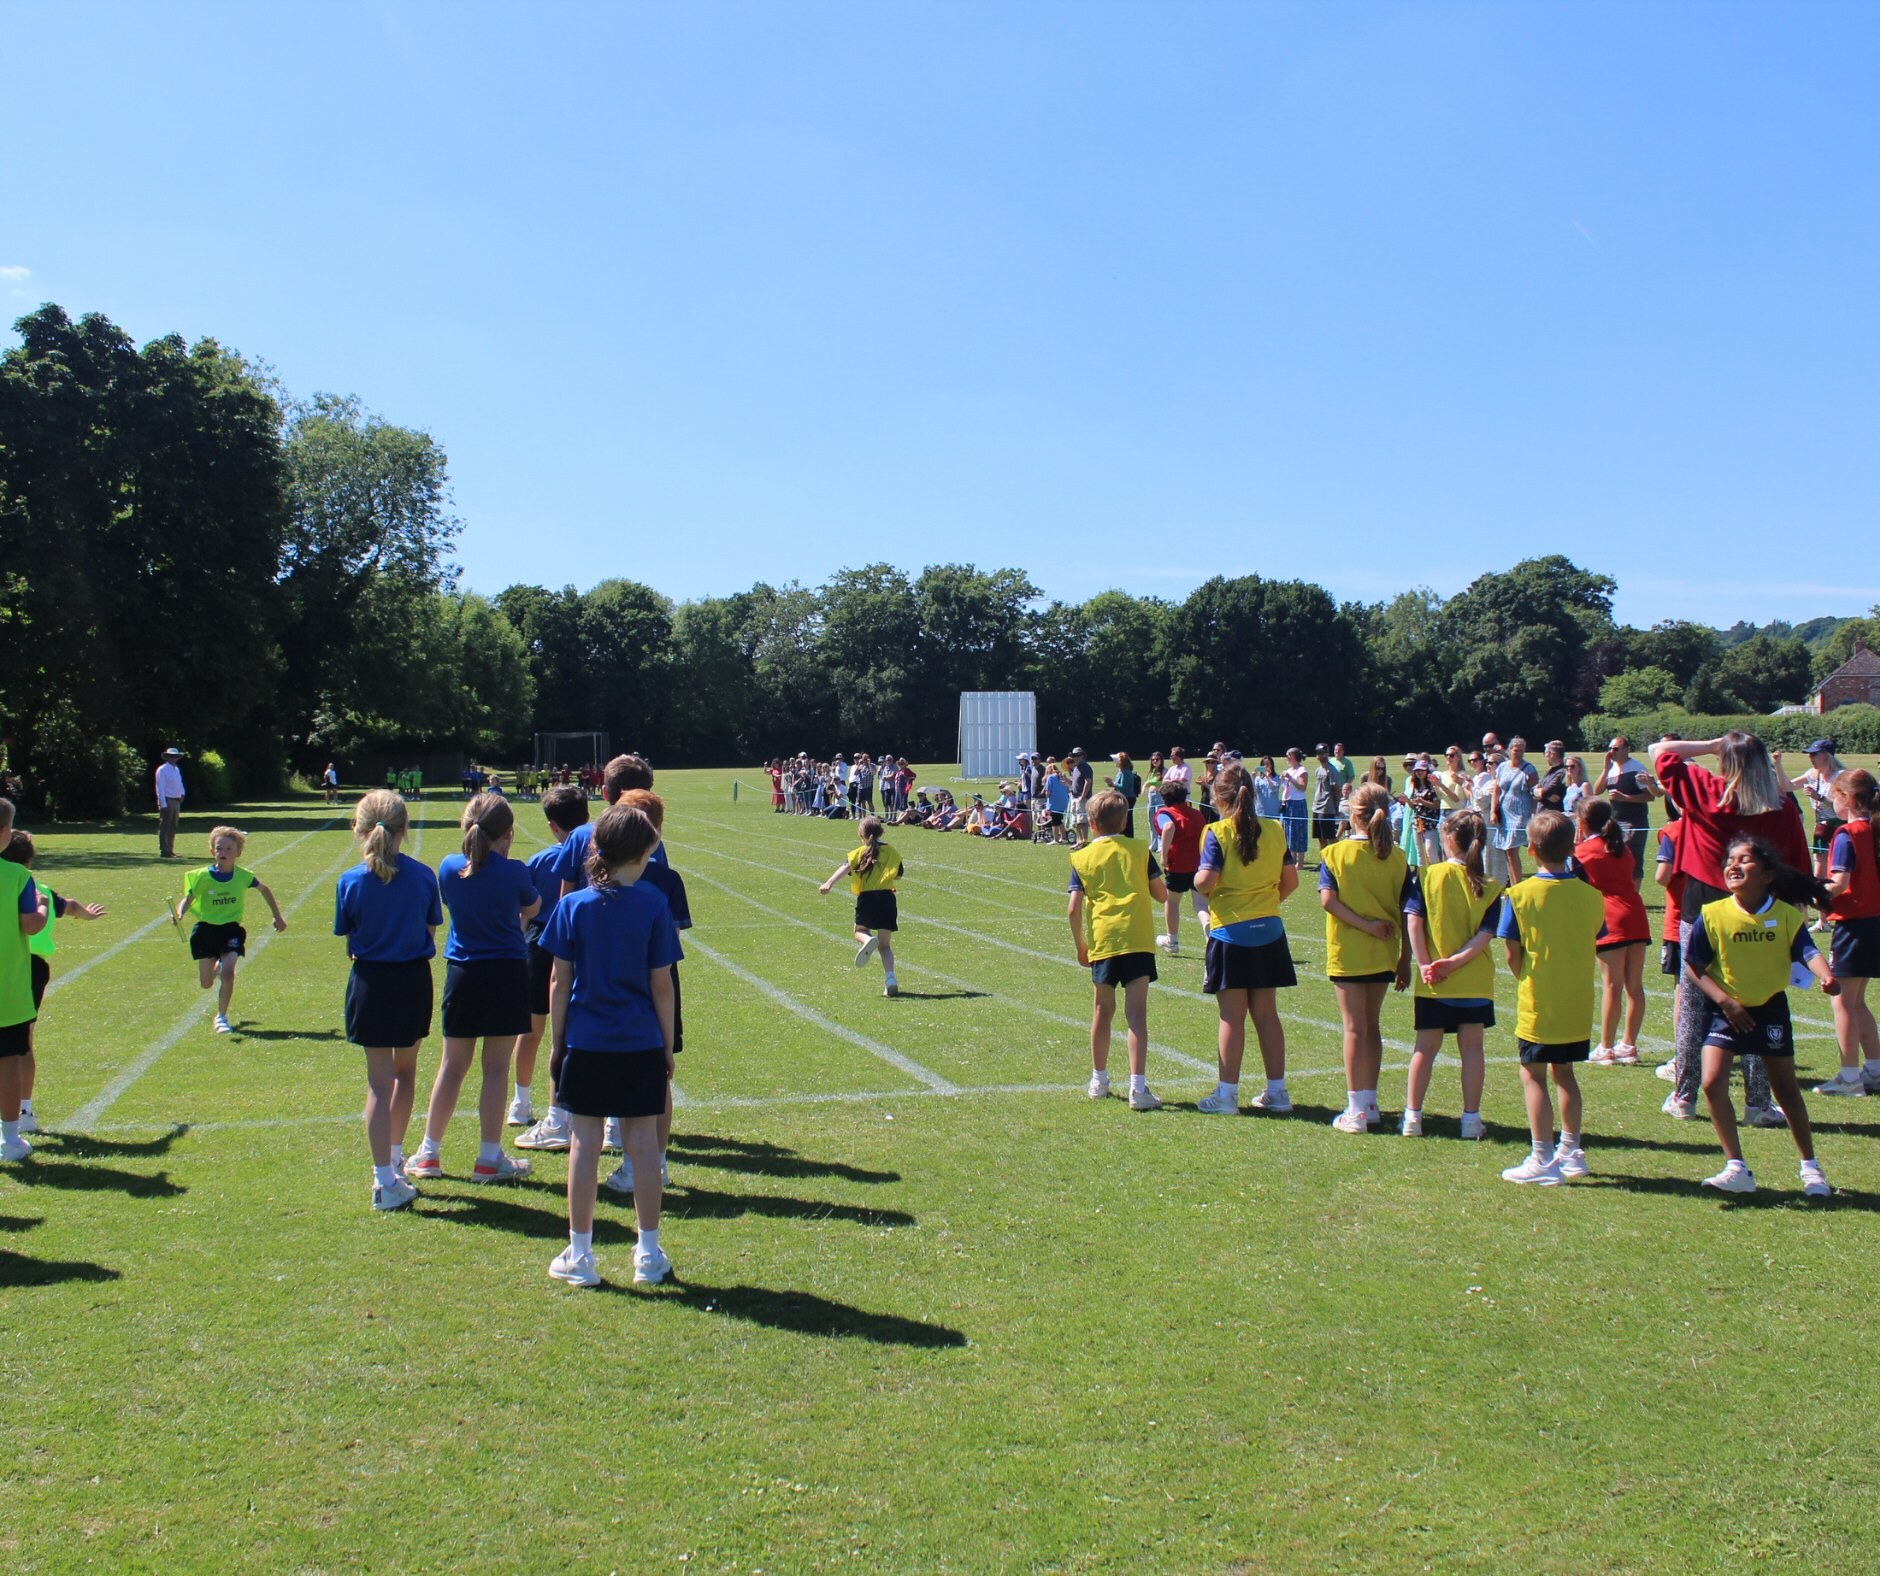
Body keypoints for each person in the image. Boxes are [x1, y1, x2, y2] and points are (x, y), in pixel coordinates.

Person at [542, 803, 681, 1286]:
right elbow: (661, 985)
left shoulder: (573, 905)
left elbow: (560, 984)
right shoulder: (652, 905)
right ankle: (647, 1253)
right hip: (639, 1042)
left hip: (586, 1041)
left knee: (583, 1142)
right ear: (642, 855)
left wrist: (558, 1046)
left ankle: (581, 1255)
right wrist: (665, 1047)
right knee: (643, 1146)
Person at [1651, 732, 1808, 1127]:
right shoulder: (1782, 806)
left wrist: (1710, 744)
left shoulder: (1708, 792)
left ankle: (1684, 1095)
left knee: (1693, 1003)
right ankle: (1757, 1101)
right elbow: (1797, 868)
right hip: (1758, 909)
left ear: (1727, 763)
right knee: (1758, 998)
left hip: (1703, 905)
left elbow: (1659, 752)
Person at [1685, 833, 1835, 1196]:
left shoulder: (1784, 915)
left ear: (1767, 874)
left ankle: (1811, 1170)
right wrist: (1726, 1002)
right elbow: (1694, 966)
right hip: (1726, 1012)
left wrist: (1826, 974)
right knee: (1711, 1083)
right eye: (1729, 860)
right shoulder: (1713, 914)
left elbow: (1807, 950)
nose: (1733, 865)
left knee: (1785, 1088)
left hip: (1768, 1011)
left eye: (1744, 859)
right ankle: (1736, 1167)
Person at [406, 793, 539, 1184]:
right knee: (495, 1068)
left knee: (451, 1067)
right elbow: (533, 909)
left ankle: (429, 1152)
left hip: (463, 973)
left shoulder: (448, 867)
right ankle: (488, 1157)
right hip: (506, 973)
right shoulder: (514, 871)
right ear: (508, 833)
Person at [333, 789, 441, 1212]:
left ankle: (385, 1176)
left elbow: (349, 937)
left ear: (359, 829)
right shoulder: (422, 875)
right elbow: (430, 931)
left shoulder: (350, 880)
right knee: (405, 1074)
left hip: (370, 982)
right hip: (411, 980)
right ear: (404, 829)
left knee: (378, 1084)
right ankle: (393, 1163)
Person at [1495, 810, 1606, 1185]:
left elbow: (1512, 951)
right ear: (1571, 847)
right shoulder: (1591, 896)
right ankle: (1571, 1150)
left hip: (1540, 1000)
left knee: (1533, 1075)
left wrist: (1526, 975)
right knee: (1566, 1074)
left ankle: (1543, 1157)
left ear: (1530, 850)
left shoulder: (1519, 894)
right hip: (1578, 1000)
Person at [601, 789, 693, 1197]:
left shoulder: (598, 874)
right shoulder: (668, 879)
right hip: (657, 983)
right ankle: (656, 1163)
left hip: (610, 980)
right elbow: (668, 950)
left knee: (614, 1068)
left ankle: (621, 1145)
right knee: (658, 1076)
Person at [1192, 762, 1298, 1115]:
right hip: (1269, 930)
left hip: (1230, 933)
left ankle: (1226, 1095)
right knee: (1267, 1014)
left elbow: (1205, 881)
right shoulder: (1275, 829)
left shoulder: (1217, 832)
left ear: (1218, 798)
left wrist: (1198, 884)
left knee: (1231, 1017)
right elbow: (1291, 881)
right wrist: (1264, 903)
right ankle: (1278, 1091)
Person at [1401, 808, 1501, 1139]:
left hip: (1434, 982)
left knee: (1424, 1048)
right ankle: (1471, 1121)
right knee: (1472, 1049)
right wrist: (1454, 964)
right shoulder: (1491, 886)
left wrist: (1427, 963)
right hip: (1473, 981)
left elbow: (1413, 921)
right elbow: (1484, 936)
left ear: (1447, 839)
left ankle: (1412, 1118)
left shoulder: (1428, 876)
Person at [1319, 783, 1410, 1133]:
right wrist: (1405, 958)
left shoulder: (1335, 854)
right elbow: (1408, 911)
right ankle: (1369, 1102)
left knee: (1354, 1028)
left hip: (1350, 951)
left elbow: (1329, 902)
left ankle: (1356, 1108)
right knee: (1372, 1027)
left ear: (1353, 815)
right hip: (1384, 953)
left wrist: (1366, 926)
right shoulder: (1398, 857)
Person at [0, 829, 104, 1135]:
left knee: (14, 1044)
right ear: (30, 859)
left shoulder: (17, 881)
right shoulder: (33, 886)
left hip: (17, 967)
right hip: (28, 968)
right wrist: (86, 914)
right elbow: (66, 906)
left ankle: (19, 1113)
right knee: (21, 1043)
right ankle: (23, 1109)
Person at [1067, 790, 1166, 1109]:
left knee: (1102, 1011)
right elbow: (1162, 895)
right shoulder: (1139, 849)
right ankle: (1138, 1088)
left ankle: (1099, 1079)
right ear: (1125, 821)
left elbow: (1072, 908)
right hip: (1136, 938)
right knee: (1136, 1015)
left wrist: (1080, 945)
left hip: (1104, 940)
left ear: (1092, 823)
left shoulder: (1081, 857)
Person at [509, 785, 590, 1134]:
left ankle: (521, 1102)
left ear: (553, 825)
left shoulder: (540, 860)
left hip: (540, 943)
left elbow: (524, 913)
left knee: (531, 1029)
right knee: (572, 1031)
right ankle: (572, 1107)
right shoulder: (600, 855)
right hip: (581, 945)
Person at [173, 825, 286, 1034]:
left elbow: (264, 890)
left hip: (231, 931)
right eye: (219, 848)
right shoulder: (202, 877)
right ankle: (216, 966)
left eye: (228, 849)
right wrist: (180, 913)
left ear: (238, 853)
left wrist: (277, 915)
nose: (223, 853)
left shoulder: (244, 876)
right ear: (212, 851)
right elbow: (189, 899)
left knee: (228, 973)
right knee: (206, 983)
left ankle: (222, 1016)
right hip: (206, 931)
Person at [1814, 769, 1880, 1097]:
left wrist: (1811, 893)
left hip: (1854, 925)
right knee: (1857, 1002)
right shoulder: (1874, 829)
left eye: (1835, 796)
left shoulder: (1847, 834)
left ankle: (1850, 1076)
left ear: (1848, 799)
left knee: (1842, 1002)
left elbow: (1838, 883)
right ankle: (1874, 1071)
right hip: (1875, 923)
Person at [1576, 798, 1651, 1066]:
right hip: (1636, 914)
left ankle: (1606, 1047)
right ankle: (1628, 1045)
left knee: (1611, 985)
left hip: (1610, 918)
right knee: (1634, 985)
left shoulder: (1585, 851)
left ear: (1582, 821)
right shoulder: (1621, 848)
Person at [0, 801, 48, 1163]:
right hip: (8, 987)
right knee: (10, 1059)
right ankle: (10, 1138)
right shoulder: (17, 876)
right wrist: (44, 908)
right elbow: (30, 924)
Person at [819, 815, 903, 997]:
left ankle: (866, 940)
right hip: (888, 899)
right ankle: (890, 979)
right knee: (885, 946)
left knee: (859, 931)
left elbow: (845, 868)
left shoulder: (857, 853)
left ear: (861, 833)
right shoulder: (892, 852)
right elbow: (898, 875)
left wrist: (829, 883)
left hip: (867, 899)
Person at [1152, 782, 1210, 957]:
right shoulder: (1198, 814)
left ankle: (1172, 940)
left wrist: (1163, 855)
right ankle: (1210, 937)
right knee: (1200, 905)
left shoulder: (1165, 813)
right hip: (1199, 865)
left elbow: (1168, 827)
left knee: (1172, 901)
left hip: (1177, 865)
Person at [1788, 738, 1845, 900]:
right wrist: (1777, 765)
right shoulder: (1812, 774)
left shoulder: (1841, 777)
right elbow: (1788, 786)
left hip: (1840, 827)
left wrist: (1818, 797)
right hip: (1822, 827)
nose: (1810, 757)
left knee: (1839, 869)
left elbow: (1842, 806)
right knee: (1819, 871)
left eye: (1814, 754)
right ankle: (1823, 920)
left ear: (1826, 756)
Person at [1600, 736, 1659, 885]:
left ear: (1627, 750)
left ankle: (1634, 895)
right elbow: (1597, 790)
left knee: (1633, 859)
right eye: (1610, 749)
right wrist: (1606, 768)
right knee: (1614, 857)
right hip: (1614, 821)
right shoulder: (1612, 769)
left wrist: (1624, 798)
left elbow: (1650, 796)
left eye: (1616, 749)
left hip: (1634, 821)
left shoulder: (1637, 769)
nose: (1612, 752)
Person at [1489, 736, 1539, 885]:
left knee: (1511, 849)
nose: (1518, 754)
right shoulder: (1502, 767)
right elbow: (1496, 790)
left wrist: (1534, 815)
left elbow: (1534, 793)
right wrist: (1493, 810)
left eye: (1522, 751)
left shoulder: (1529, 770)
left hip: (1520, 815)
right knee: (1507, 851)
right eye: (1516, 750)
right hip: (1504, 813)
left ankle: (1516, 884)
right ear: (1510, 750)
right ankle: (1512, 882)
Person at [154, 746, 186, 859]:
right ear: (167, 757)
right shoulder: (162, 770)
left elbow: (180, 783)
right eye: (171, 757)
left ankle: (170, 849)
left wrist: (182, 793)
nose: (173, 759)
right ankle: (164, 850)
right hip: (167, 799)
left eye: (175, 757)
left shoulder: (176, 769)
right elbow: (160, 788)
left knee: (173, 826)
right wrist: (163, 804)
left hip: (176, 800)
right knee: (165, 826)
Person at [1311, 745, 1342, 855]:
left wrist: (1337, 806)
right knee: (1320, 837)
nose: (1320, 755)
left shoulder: (1331, 770)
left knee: (1330, 837)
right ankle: (1324, 862)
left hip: (1327, 808)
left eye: (1322, 753)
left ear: (1327, 754)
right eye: (1318, 753)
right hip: (1317, 807)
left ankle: (1336, 859)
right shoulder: (1318, 770)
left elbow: (1337, 790)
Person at [1280, 748, 1310, 860]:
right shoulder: (1290, 770)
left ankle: (1300, 861)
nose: (1287, 757)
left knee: (1299, 831)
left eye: (1289, 755)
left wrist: (1290, 778)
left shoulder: (1302, 770)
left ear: (1295, 756)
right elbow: (1288, 788)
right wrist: (1283, 780)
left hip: (1297, 804)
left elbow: (1302, 787)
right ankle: (1291, 858)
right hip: (1287, 803)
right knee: (1288, 831)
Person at [1066, 748, 1094, 850]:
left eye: (1076, 755)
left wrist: (1082, 796)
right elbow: (1073, 783)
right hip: (1074, 797)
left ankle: (1084, 841)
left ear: (1082, 756)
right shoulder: (1076, 768)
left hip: (1083, 798)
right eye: (1073, 756)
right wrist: (1065, 780)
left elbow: (1088, 782)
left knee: (1082, 821)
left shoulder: (1086, 767)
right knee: (1076, 821)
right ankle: (1079, 841)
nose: (1074, 758)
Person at [1534, 740, 1571, 815]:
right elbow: (1533, 791)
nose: (1545, 756)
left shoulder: (1561, 773)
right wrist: (1546, 796)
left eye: (1545, 753)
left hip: (1552, 817)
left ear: (1552, 754)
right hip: (1542, 816)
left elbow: (1544, 791)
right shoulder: (1550, 771)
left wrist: (1541, 794)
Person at [1560, 754, 1588, 818]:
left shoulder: (1585, 786)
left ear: (1579, 767)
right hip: (1568, 821)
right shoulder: (1569, 788)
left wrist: (1574, 815)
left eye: (1572, 766)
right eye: (1567, 766)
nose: (1569, 768)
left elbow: (1589, 809)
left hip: (1578, 821)